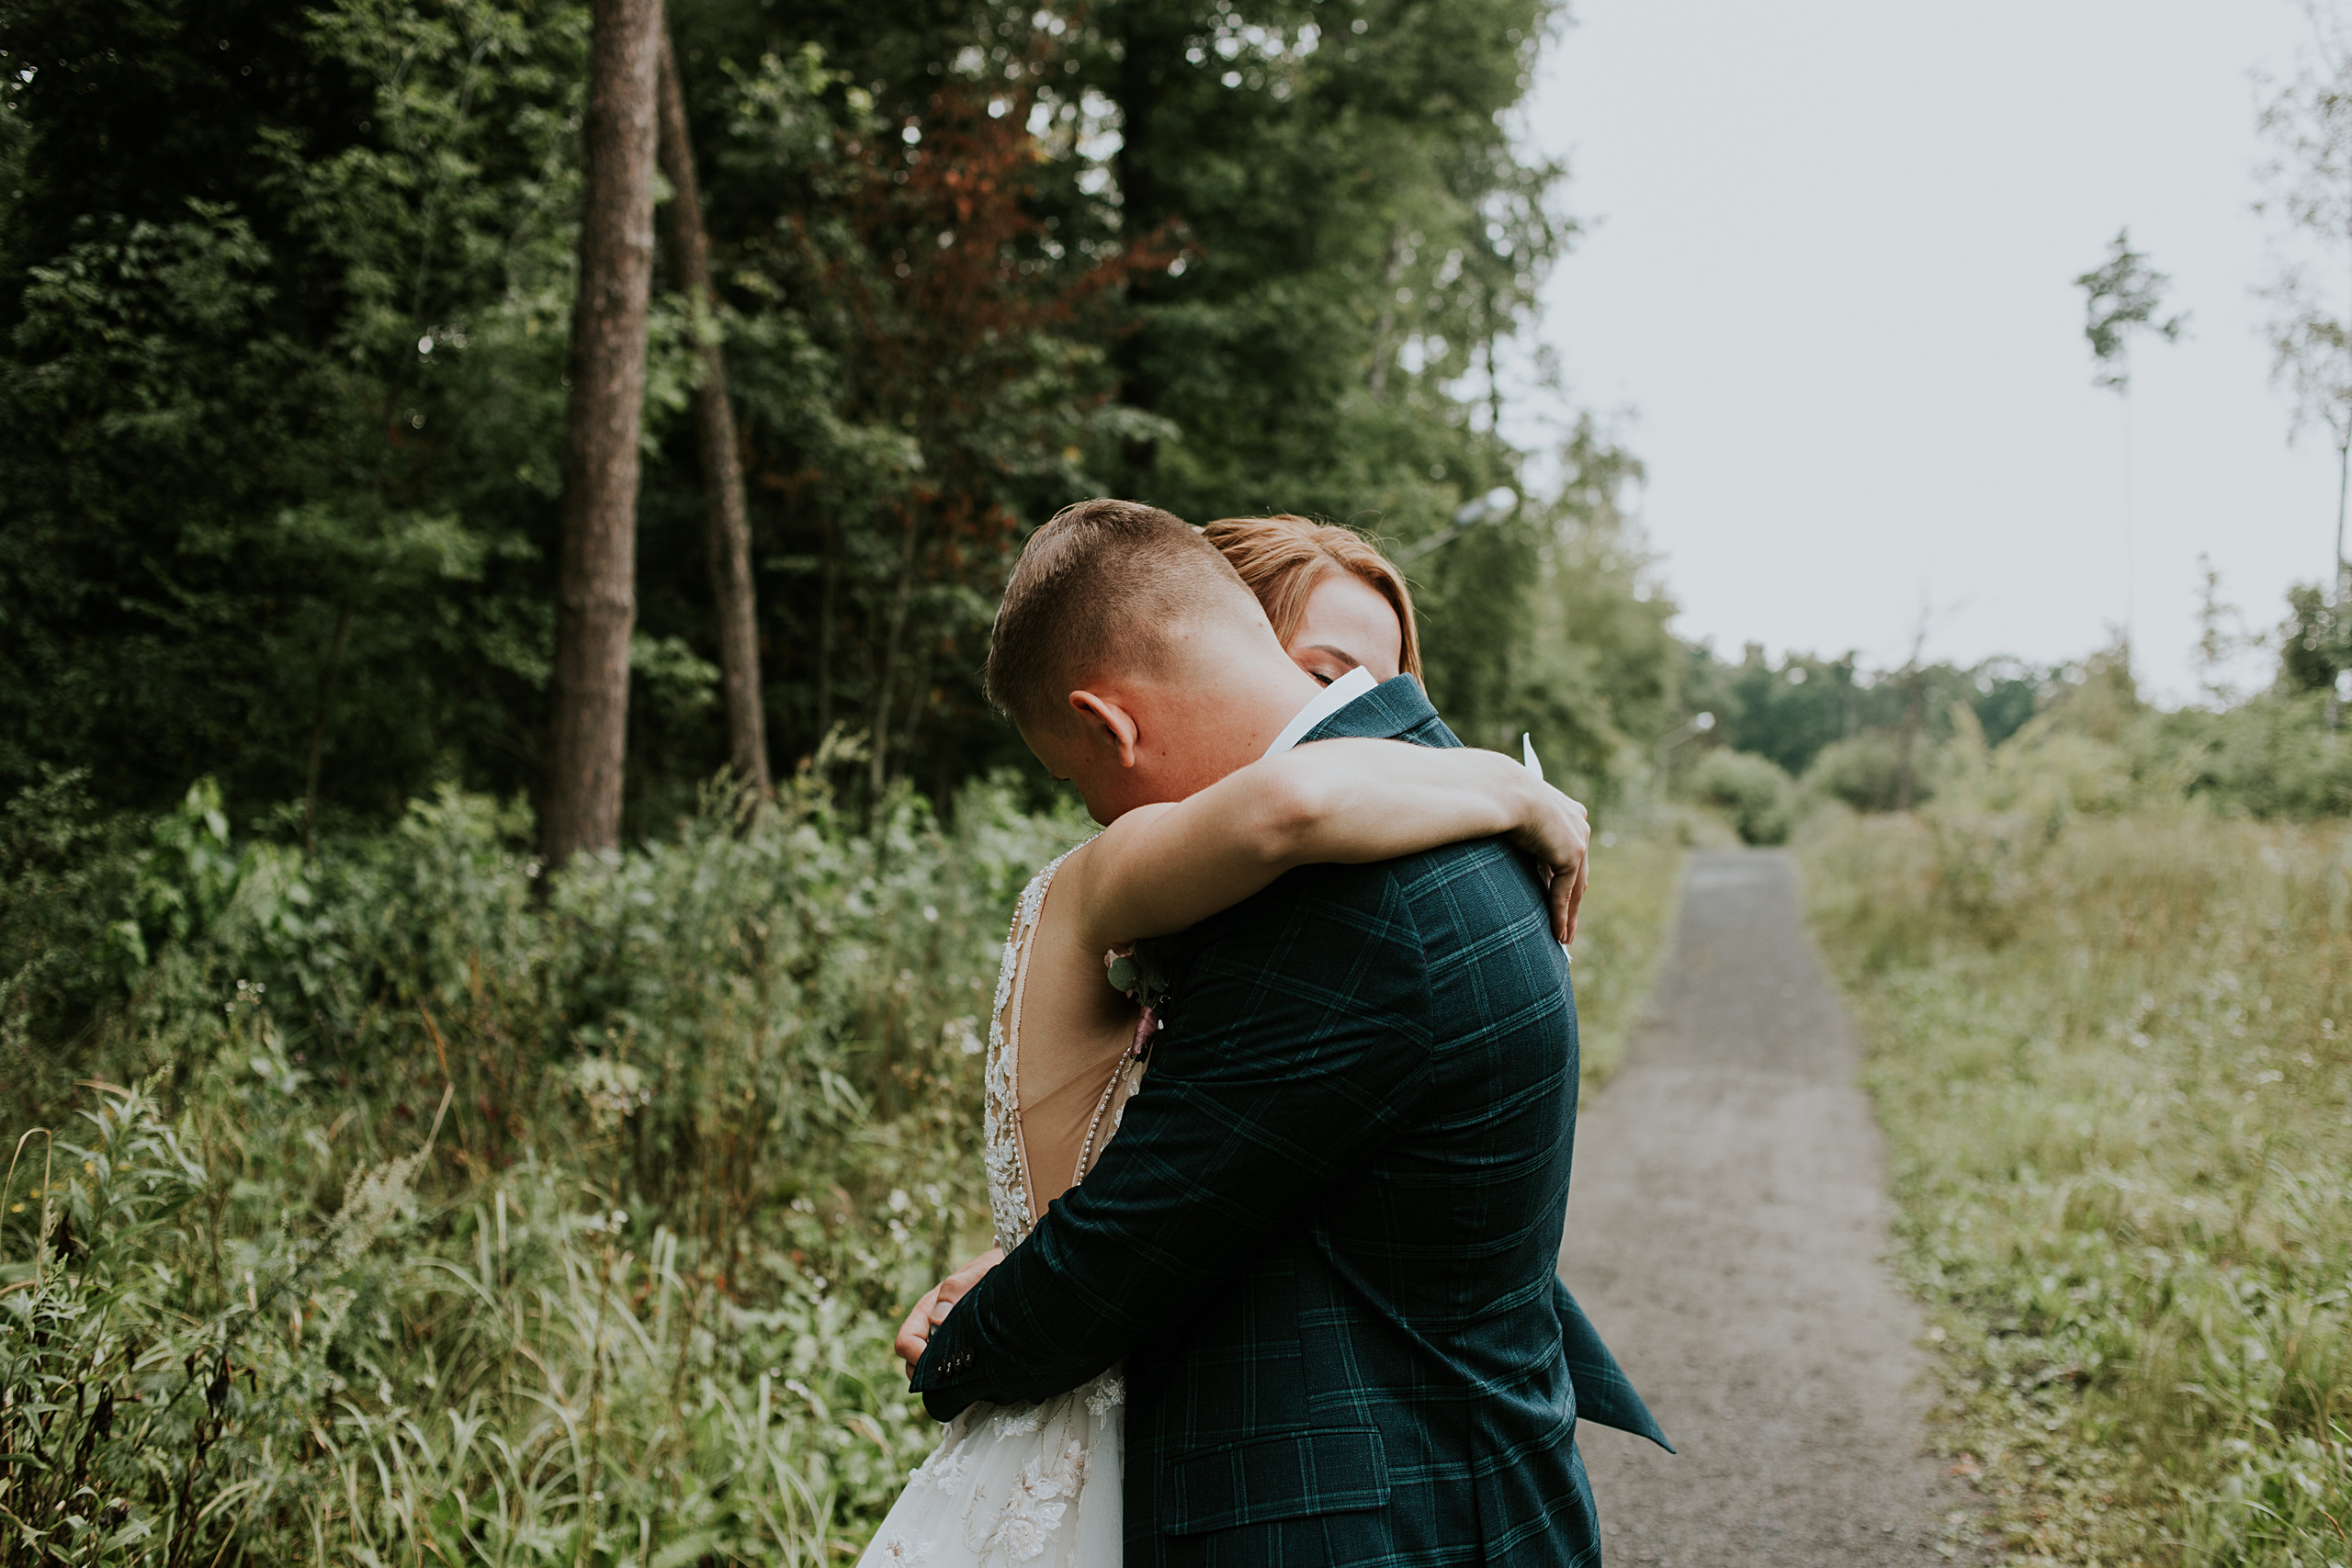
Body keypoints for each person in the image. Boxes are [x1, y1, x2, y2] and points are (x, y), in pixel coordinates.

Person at [877, 501, 1664, 1568]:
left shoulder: (1340, 899)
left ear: (1109, 725)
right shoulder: (1438, 821)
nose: (1103, 817)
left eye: (1078, 781)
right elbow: (1268, 1174)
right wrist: (1513, 786)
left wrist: (952, 1362)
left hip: (1374, 1519)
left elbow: (1139, 1237)